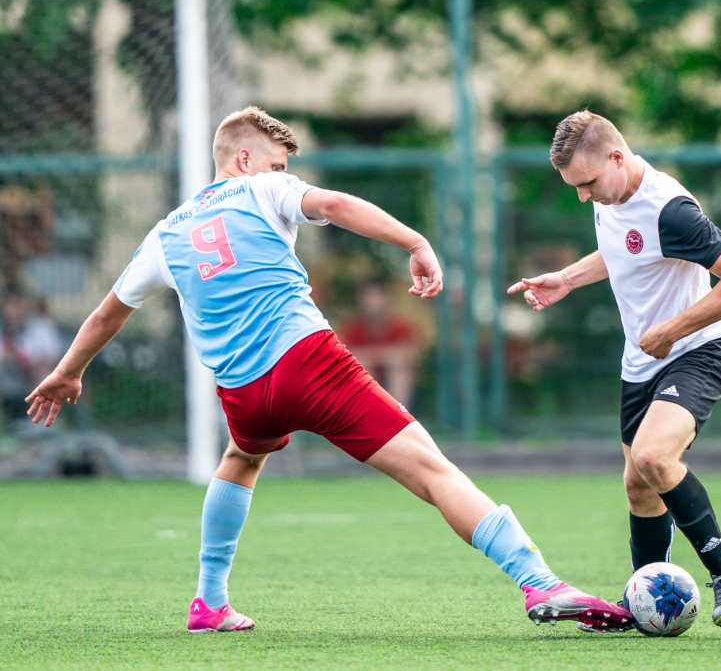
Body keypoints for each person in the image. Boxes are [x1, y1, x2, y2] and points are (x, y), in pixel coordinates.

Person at [25, 106, 631, 634]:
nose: (285, 178)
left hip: (241, 392)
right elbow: (336, 205)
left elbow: (107, 314)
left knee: (241, 459)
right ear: (243, 158)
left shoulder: (164, 234)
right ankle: (540, 582)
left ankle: (210, 602)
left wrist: (67, 372)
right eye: (279, 166)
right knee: (430, 468)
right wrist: (415, 241)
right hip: (306, 361)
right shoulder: (259, 189)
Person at [508, 110, 721, 629]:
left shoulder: (671, 209)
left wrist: (673, 329)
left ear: (617, 157)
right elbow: (623, 248)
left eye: (587, 183)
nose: (583, 196)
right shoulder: (612, 194)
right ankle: (646, 602)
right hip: (641, 363)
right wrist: (567, 278)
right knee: (638, 486)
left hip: (696, 351)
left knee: (653, 456)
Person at [338, 281, 421, 407]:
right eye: (370, 296)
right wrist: (385, 355)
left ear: (387, 299)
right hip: (362, 382)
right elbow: (344, 358)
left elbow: (411, 355)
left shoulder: (401, 328)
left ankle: (398, 416)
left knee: (400, 371)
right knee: (363, 365)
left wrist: (375, 355)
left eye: (378, 296)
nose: (374, 302)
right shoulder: (352, 329)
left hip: (392, 381)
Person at [1, 291, 62, 423]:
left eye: (18, 305)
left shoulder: (42, 327)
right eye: (11, 306)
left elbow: (53, 357)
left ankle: (41, 421)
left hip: (35, 377)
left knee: (46, 374)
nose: (15, 311)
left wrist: (35, 367)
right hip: (7, 379)